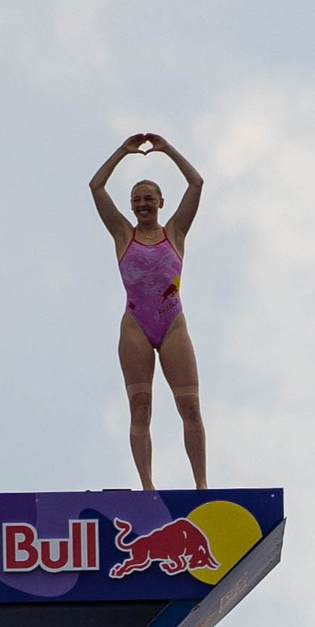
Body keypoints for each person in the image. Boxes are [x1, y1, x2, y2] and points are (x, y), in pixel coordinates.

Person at [89, 132, 207, 490]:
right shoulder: (124, 235)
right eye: (137, 200)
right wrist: (122, 153)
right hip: (136, 327)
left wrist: (168, 149)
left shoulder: (176, 231)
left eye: (149, 199)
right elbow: (96, 187)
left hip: (172, 325)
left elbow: (197, 183)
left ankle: (202, 485)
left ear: (160, 202)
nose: (143, 204)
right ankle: (147, 487)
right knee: (141, 408)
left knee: (190, 408)